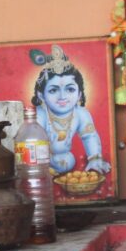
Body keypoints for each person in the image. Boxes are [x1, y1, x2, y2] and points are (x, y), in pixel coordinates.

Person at [31, 46, 111, 176]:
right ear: (41, 95)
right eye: (53, 90)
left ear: (79, 94)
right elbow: (32, 143)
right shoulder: (40, 114)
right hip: (40, 163)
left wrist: (95, 159)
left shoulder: (81, 114)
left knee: (68, 161)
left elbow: (89, 136)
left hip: (66, 160)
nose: (62, 97)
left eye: (70, 89)